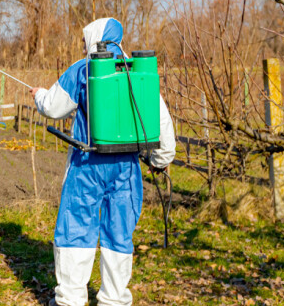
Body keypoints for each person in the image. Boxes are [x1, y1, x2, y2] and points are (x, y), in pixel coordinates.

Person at [29, 18, 176, 306]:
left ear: (91, 40)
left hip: (87, 166)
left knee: (76, 227)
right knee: (119, 233)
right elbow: (162, 123)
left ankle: (70, 300)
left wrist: (39, 96)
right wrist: (160, 160)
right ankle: (114, 300)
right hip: (126, 170)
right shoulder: (138, 71)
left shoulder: (84, 69)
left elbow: (53, 107)